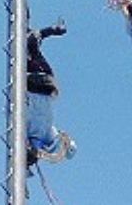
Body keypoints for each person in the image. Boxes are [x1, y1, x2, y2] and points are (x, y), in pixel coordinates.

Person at [26, 18, 77, 172]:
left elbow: (57, 143)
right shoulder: (44, 133)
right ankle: (52, 29)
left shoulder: (35, 132)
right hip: (41, 84)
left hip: (40, 86)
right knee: (31, 44)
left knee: (31, 46)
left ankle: (50, 30)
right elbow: (59, 143)